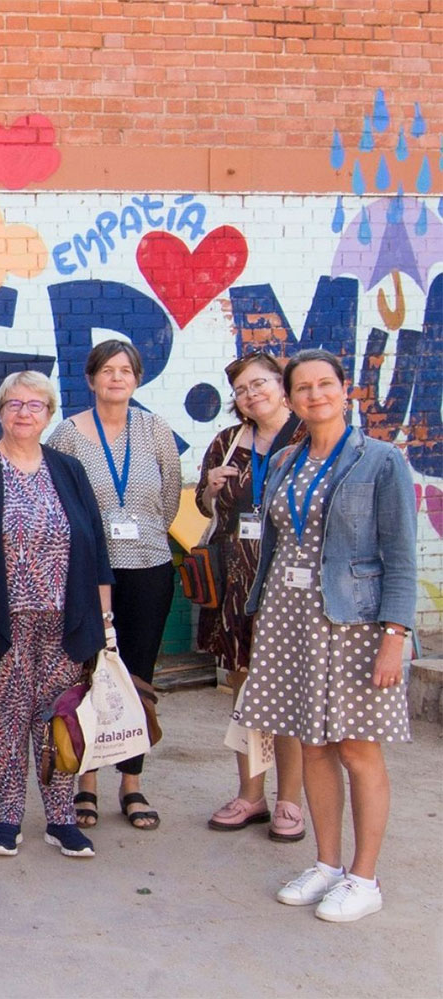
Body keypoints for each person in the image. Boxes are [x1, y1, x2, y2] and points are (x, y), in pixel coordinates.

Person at [239, 349, 416, 923]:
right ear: (289, 400)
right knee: (311, 745)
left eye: (325, 385)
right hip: (291, 620)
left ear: (346, 391)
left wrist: (397, 633)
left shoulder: (380, 460)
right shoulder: (289, 459)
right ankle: (329, 864)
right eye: (303, 388)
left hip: (354, 624)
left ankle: (365, 878)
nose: (315, 395)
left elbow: (401, 556)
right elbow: (277, 544)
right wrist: (260, 612)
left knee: (357, 749)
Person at [0, 370, 114, 861]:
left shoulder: (69, 470)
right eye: (13, 404)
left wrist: (104, 620)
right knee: (4, 719)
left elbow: (96, 547)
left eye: (35, 404)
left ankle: (61, 819)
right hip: (2, 621)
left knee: (59, 718)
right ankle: (7, 818)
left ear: (48, 414)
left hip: (68, 621)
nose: (23, 412)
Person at [47, 340, 180, 832]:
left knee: (138, 675)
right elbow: (60, 502)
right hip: (87, 573)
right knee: (90, 671)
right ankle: (87, 781)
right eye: (107, 370)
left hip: (149, 567)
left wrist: (140, 534)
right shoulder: (68, 434)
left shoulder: (155, 430)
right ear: (91, 379)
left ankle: (132, 781)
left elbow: (168, 499)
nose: (116, 378)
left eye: (126, 370)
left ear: (137, 379)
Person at [195, 352, 307, 841]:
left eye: (259, 383)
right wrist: (211, 489)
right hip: (237, 589)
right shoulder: (228, 442)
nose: (251, 394)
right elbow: (203, 502)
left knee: (290, 698)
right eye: (241, 390)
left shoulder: (309, 436)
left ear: (282, 385)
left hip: (292, 587)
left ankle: (291, 802)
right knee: (246, 694)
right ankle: (251, 796)